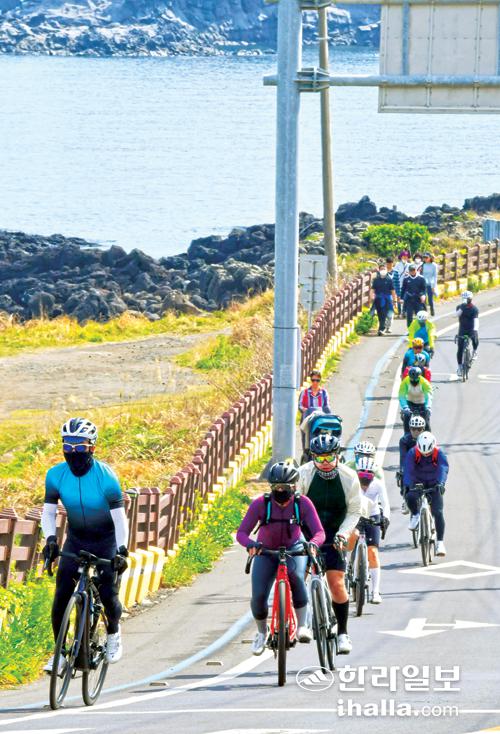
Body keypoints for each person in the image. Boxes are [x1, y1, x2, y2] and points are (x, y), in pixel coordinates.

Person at [41, 418, 129, 673]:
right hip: (76, 539)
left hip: (105, 540)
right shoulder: (55, 475)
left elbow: (119, 518)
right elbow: (48, 512)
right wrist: (50, 540)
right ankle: (59, 653)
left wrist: (121, 551)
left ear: (92, 447)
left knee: (108, 592)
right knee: (61, 596)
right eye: (68, 446)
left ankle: (113, 633)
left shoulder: (106, 477)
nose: (73, 452)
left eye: (80, 446)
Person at [236, 460, 325, 656]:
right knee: (259, 596)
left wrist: (312, 544)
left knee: (297, 579)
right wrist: (251, 545)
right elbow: (241, 533)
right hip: (266, 551)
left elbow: (319, 532)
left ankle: (302, 626)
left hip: (294, 549)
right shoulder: (261, 504)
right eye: (276, 487)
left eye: (285, 487)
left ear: (294, 486)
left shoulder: (303, 503)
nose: (281, 491)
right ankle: (261, 633)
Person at [298, 434, 361, 655]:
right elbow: (296, 507)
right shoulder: (303, 474)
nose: (325, 462)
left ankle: (343, 633)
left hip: (336, 532)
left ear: (337, 455)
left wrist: (343, 534)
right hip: (309, 533)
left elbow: (354, 511)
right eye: (319, 458)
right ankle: (303, 622)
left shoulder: (349, 476)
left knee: (336, 583)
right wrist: (300, 537)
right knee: (298, 579)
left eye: (329, 457)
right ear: (312, 457)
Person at [404, 432, 449, 556]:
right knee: (410, 497)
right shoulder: (412, 453)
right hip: (418, 482)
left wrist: (441, 483)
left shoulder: (439, 453)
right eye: (423, 453)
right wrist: (409, 484)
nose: (425, 455)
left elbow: (443, 468)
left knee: (438, 512)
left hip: (434, 484)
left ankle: (440, 543)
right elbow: (408, 470)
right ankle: (415, 515)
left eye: (428, 453)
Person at [352, 457, 390, 604]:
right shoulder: (352, 483)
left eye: (368, 477)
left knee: (373, 553)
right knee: (349, 542)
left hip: (372, 516)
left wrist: (385, 518)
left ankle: (375, 591)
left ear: (373, 476)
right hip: (355, 514)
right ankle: (348, 566)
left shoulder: (378, 484)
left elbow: (385, 504)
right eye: (362, 477)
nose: (365, 482)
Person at [398, 414, 426, 513]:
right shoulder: (404, 440)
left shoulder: (428, 438)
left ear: (423, 429)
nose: (416, 432)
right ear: (410, 429)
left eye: (419, 429)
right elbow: (403, 457)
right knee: (403, 475)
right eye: (413, 429)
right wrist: (404, 469)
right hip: (410, 464)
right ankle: (405, 500)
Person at [298, 370, 331, 450]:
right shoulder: (305, 392)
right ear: (311, 380)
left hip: (320, 420)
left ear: (320, 380)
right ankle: (306, 452)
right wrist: (304, 409)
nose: (315, 382)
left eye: (317, 380)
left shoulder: (324, 393)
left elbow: (326, 406)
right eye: (313, 380)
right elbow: (300, 405)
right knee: (306, 439)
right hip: (308, 419)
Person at [399, 366, 432, 433]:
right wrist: (405, 407)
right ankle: (407, 434)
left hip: (422, 404)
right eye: (412, 379)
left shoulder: (425, 383)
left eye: (416, 379)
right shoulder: (405, 382)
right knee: (406, 417)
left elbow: (428, 396)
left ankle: (428, 434)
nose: (414, 381)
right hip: (410, 403)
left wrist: (428, 407)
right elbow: (402, 396)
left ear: (419, 377)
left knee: (426, 421)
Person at [456, 290, 479, 377]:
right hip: (462, 329)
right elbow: (457, 315)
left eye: (467, 298)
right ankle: (459, 367)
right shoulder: (459, 307)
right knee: (460, 349)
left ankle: (475, 351)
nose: (466, 300)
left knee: (475, 339)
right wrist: (462, 308)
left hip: (471, 328)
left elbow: (476, 320)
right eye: (464, 298)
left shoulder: (474, 309)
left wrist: (475, 330)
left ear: (471, 299)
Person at [371, 264, 396, 335]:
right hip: (378, 299)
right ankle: (381, 328)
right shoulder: (376, 280)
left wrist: (394, 300)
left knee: (388, 314)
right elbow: (372, 290)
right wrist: (372, 297)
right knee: (380, 314)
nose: (383, 270)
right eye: (381, 269)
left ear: (386, 270)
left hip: (387, 299)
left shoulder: (389, 280)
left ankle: (383, 328)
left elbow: (393, 291)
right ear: (379, 270)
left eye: (384, 269)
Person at [394, 250, 410, 317]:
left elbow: (412, 273)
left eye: (406, 256)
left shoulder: (409, 265)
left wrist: (408, 274)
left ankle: (404, 311)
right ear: (401, 257)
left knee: (405, 298)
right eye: (403, 256)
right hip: (399, 283)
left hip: (407, 284)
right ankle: (399, 312)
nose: (405, 258)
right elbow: (395, 273)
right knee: (399, 298)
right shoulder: (397, 264)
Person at [386, 257, 400, 323]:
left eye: (390, 264)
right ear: (386, 264)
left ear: (393, 264)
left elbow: (397, 283)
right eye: (388, 264)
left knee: (391, 308)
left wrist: (398, 295)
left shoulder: (396, 272)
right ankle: (385, 322)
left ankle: (389, 322)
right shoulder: (384, 272)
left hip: (394, 293)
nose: (389, 265)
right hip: (385, 292)